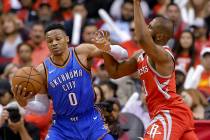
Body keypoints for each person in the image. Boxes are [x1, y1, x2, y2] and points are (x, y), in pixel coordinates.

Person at [93, 0, 198, 139]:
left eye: (149, 27)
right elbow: (115, 72)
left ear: (160, 36)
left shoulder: (164, 56)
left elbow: (142, 38)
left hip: (169, 113)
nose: (144, 29)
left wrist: (137, 4)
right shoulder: (140, 55)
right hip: (170, 113)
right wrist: (105, 48)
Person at [12, 23, 128, 140]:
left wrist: (108, 47)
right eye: (50, 41)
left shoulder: (82, 52)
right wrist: (24, 103)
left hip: (89, 118)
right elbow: (44, 108)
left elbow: (124, 55)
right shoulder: (42, 71)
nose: (54, 43)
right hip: (63, 125)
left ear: (67, 38)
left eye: (58, 39)